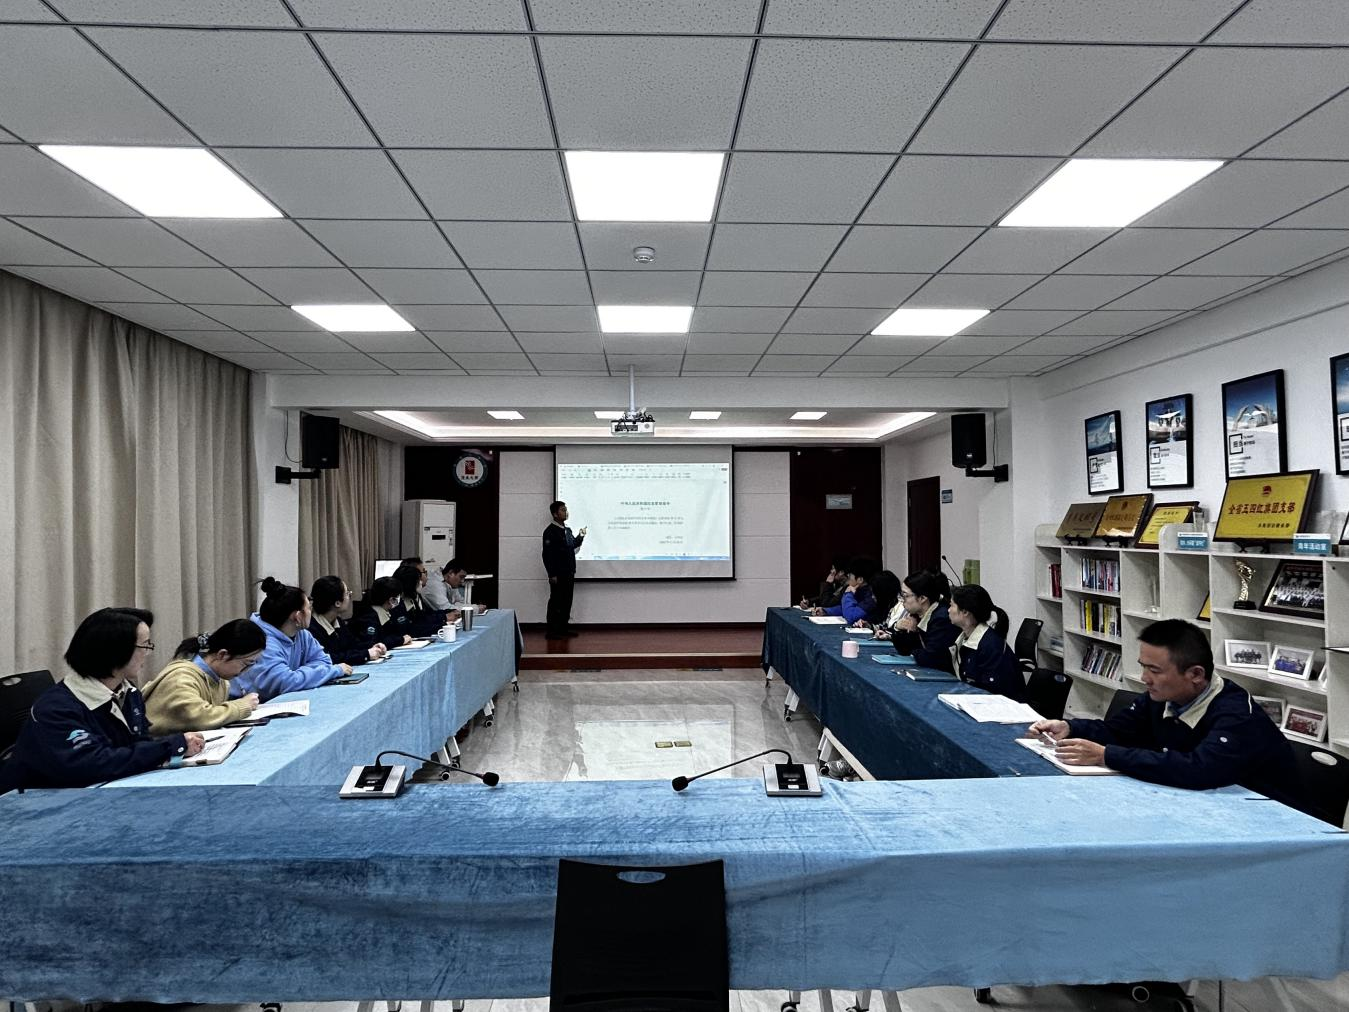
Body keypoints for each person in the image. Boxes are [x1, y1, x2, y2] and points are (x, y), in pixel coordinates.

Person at [1029, 619, 1301, 804]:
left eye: (1155, 670)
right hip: (1204, 803)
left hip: (1272, 819)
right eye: (1143, 666)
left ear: (1196, 674)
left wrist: (1106, 755)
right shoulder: (1163, 697)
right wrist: (1071, 728)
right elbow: (1118, 731)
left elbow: (1200, 770)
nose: (1144, 678)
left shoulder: (1237, 714)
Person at [0, 608, 203, 793]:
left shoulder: (128, 693)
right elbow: (92, 764)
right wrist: (169, 746)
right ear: (116, 651)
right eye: (145, 645)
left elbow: (135, 744)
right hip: (37, 803)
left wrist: (175, 745)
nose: (147, 653)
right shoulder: (55, 708)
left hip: (104, 791)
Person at [231, 578, 352, 701]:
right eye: (308, 608)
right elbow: (285, 682)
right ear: (298, 616)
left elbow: (324, 661)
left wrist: (297, 675)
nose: (311, 612)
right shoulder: (262, 641)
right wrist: (333, 671)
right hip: (246, 704)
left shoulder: (302, 634)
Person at [142, 619, 266, 734]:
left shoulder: (220, 680)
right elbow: (200, 718)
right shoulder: (180, 678)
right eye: (246, 664)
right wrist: (242, 706)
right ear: (222, 654)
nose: (245, 671)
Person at [948, 584, 1026, 701]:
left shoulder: (991, 645)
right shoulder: (964, 639)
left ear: (965, 612)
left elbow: (991, 692)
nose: (948, 610)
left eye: (952, 605)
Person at [880, 569, 958, 673]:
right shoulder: (917, 615)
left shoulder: (941, 619)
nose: (902, 600)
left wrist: (914, 640)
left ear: (922, 598)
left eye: (905, 596)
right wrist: (899, 628)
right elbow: (904, 649)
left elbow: (931, 658)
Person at [308, 575, 388, 666]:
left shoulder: (338, 621)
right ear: (337, 603)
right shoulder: (311, 628)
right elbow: (331, 658)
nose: (350, 596)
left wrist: (372, 647)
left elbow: (352, 645)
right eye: (347, 593)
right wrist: (366, 654)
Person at [543, 500, 586, 639]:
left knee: (567, 601)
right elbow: (547, 555)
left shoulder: (567, 530)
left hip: (569, 572)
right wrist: (552, 574)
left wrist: (581, 536)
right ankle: (552, 631)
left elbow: (573, 545)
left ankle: (563, 629)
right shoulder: (550, 532)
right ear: (555, 514)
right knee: (556, 602)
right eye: (562, 510)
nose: (566, 512)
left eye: (566, 509)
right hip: (558, 574)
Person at [390, 562, 453, 637]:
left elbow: (423, 618)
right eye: (418, 581)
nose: (420, 582)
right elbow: (410, 630)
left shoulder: (413, 598)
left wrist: (446, 615)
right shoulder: (397, 603)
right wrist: (442, 625)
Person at [812, 556, 880, 625]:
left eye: (850, 574)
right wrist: (826, 611)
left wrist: (848, 594)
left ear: (860, 580)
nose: (848, 575)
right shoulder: (858, 589)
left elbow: (850, 617)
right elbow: (845, 608)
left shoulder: (870, 596)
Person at [353, 576, 414, 648]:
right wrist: (401, 640)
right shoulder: (369, 617)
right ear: (392, 600)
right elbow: (372, 643)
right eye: (398, 596)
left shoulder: (387, 612)